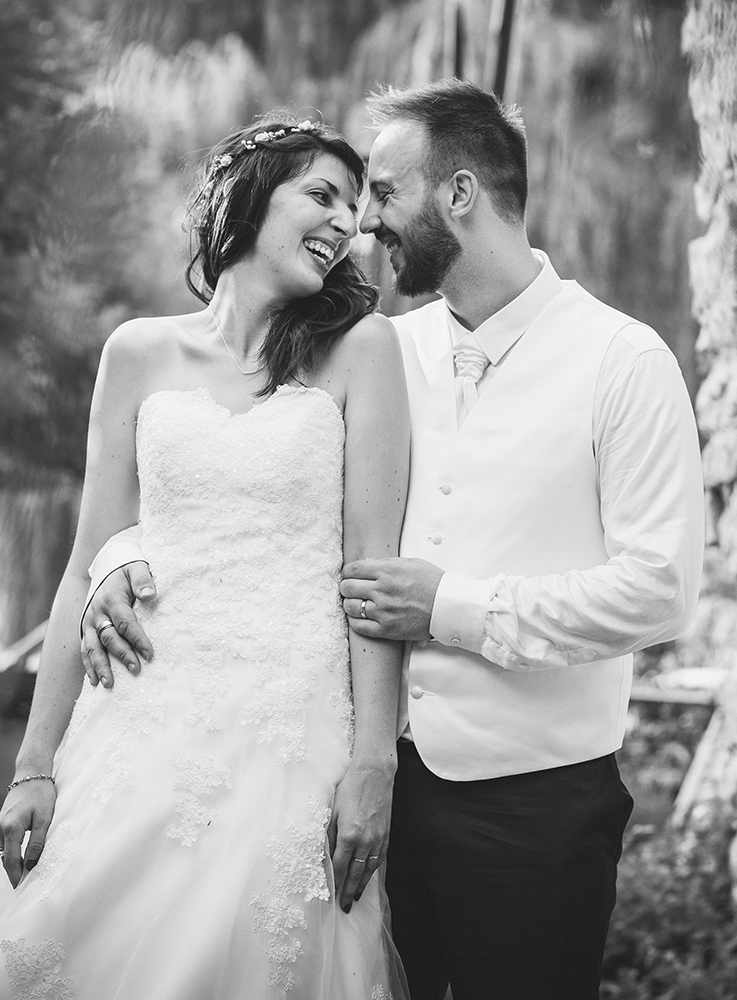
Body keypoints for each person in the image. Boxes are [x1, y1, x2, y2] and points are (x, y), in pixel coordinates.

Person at [82, 80, 705, 1000]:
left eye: (382, 192)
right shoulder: (368, 349)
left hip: (529, 806)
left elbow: (661, 589)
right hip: (341, 789)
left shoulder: (623, 361)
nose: (365, 224)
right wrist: (116, 557)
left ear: (458, 196)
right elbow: (238, 476)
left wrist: (450, 608)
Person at [0, 115, 410, 1000]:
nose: (345, 225)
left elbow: (369, 566)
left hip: (289, 735)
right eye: (321, 195)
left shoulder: (360, 350)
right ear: (250, 197)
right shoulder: (137, 352)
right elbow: (82, 565)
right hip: (138, 718)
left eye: (355, 209)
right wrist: (34, 765)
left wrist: (375, 760)